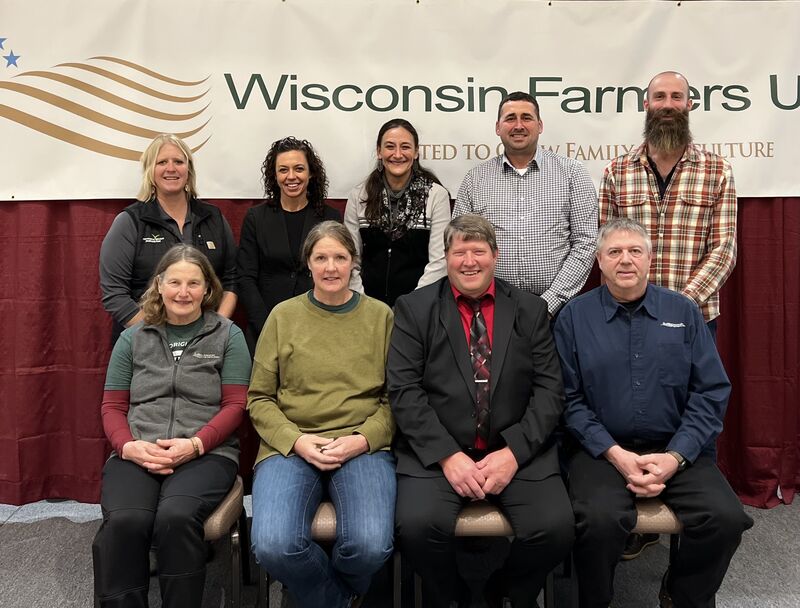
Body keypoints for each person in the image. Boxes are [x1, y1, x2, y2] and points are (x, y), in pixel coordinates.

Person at [553, 218, 753, 608]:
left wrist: (675, 456)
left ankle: (681, 595)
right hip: (600, 452)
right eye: (614, 252)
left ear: (650, 258)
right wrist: (615, 454)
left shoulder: (683, 310)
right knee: (597, 521)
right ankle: (595, 600)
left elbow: (710, 391)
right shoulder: (573, 317)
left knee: (726, 519)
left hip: (676, 447)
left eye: (634, 251)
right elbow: (567, 400)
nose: (625, 260)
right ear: (599, 260)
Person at [388, 214, 573, 607]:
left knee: (555, 528)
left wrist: (513, 453)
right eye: (460, 252)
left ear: (496, 256)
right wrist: (447, 456)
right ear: (446, 256)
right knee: (417, 527)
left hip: (516, 453)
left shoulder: (530, 308)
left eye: (479, 251)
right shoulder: (414, 309)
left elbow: (549, 389)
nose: (469, 261)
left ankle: (500, 591)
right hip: (440, 454)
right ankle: (452, 596)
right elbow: (403, 391)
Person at [92, 244, 252, 608]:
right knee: (126, 521)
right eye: (175, 282)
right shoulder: (132, 338)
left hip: (206, 453)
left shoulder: (228, 335)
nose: (184, 292)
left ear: (208, 289)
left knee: (175, 518)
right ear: (159, 285)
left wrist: (194, 445)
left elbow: (235, 406)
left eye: (194, 283)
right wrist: (128, 446)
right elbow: (113, 406)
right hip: (137, 450)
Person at [248, 221, 395, 608]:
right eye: (321, 258)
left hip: (361, 444)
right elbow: (259, 398)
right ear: (308, 264)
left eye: (340, 257)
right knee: (273, 545)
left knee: (371, 545)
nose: (331, 267)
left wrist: (363, 440)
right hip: (294, 444)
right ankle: (341, 600)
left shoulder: (381, 317)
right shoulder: (283, 316)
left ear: (354, 263)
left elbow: (398, 400)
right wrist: (296, 440)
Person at [599, 71, 737, 337]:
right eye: (659, 97)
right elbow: (607, 248)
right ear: (647, 104)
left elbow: (724, 250)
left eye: (677, 97)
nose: (668, 105)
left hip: (694, 317)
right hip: (627, 315)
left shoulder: (717, 171)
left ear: (689, 104)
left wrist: (681, 304)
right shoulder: (617, 171)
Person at [453, 91, 597, 317]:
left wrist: (548, 303)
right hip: (492, 311)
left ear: (539, 125)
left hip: (559, 311)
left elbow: (586, 242)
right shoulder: (475, 180)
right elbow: (461, 247)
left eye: (526, 118)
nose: (518, 125)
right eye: (510, 118)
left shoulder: (572, 173)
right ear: (498, 127)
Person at [99, 134, 237, 341]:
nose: (171, 169)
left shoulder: (213, 218)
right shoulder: (130, 221)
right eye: (162, 162)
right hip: (146, 341)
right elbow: (114, 294)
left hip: (207, 342)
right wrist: (164, 337)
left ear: (188, 170)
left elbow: (232, 279)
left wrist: (214, 330)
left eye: (178, 162)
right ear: (149, 171)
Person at [237, 137, 341, 354]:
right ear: (274, 176)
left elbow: (337, 274)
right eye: (283, 170)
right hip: (265, 329)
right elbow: (245, 277)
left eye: (299, 169)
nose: (291, 176)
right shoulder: (256, 218)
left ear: (311, 173)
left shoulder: (330, 218)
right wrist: (268, 325)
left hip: (318, 327)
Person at [344, 118, 450, 306]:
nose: (398, 154)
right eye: (390, 146)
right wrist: (363, 304)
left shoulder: (437, 196)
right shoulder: (358, 197)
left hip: (419, 308)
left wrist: (411, 305)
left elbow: (439, 262)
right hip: (366, 307)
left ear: (416, 152)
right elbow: (350, 259)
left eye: (406, 147)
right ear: (379, 151)